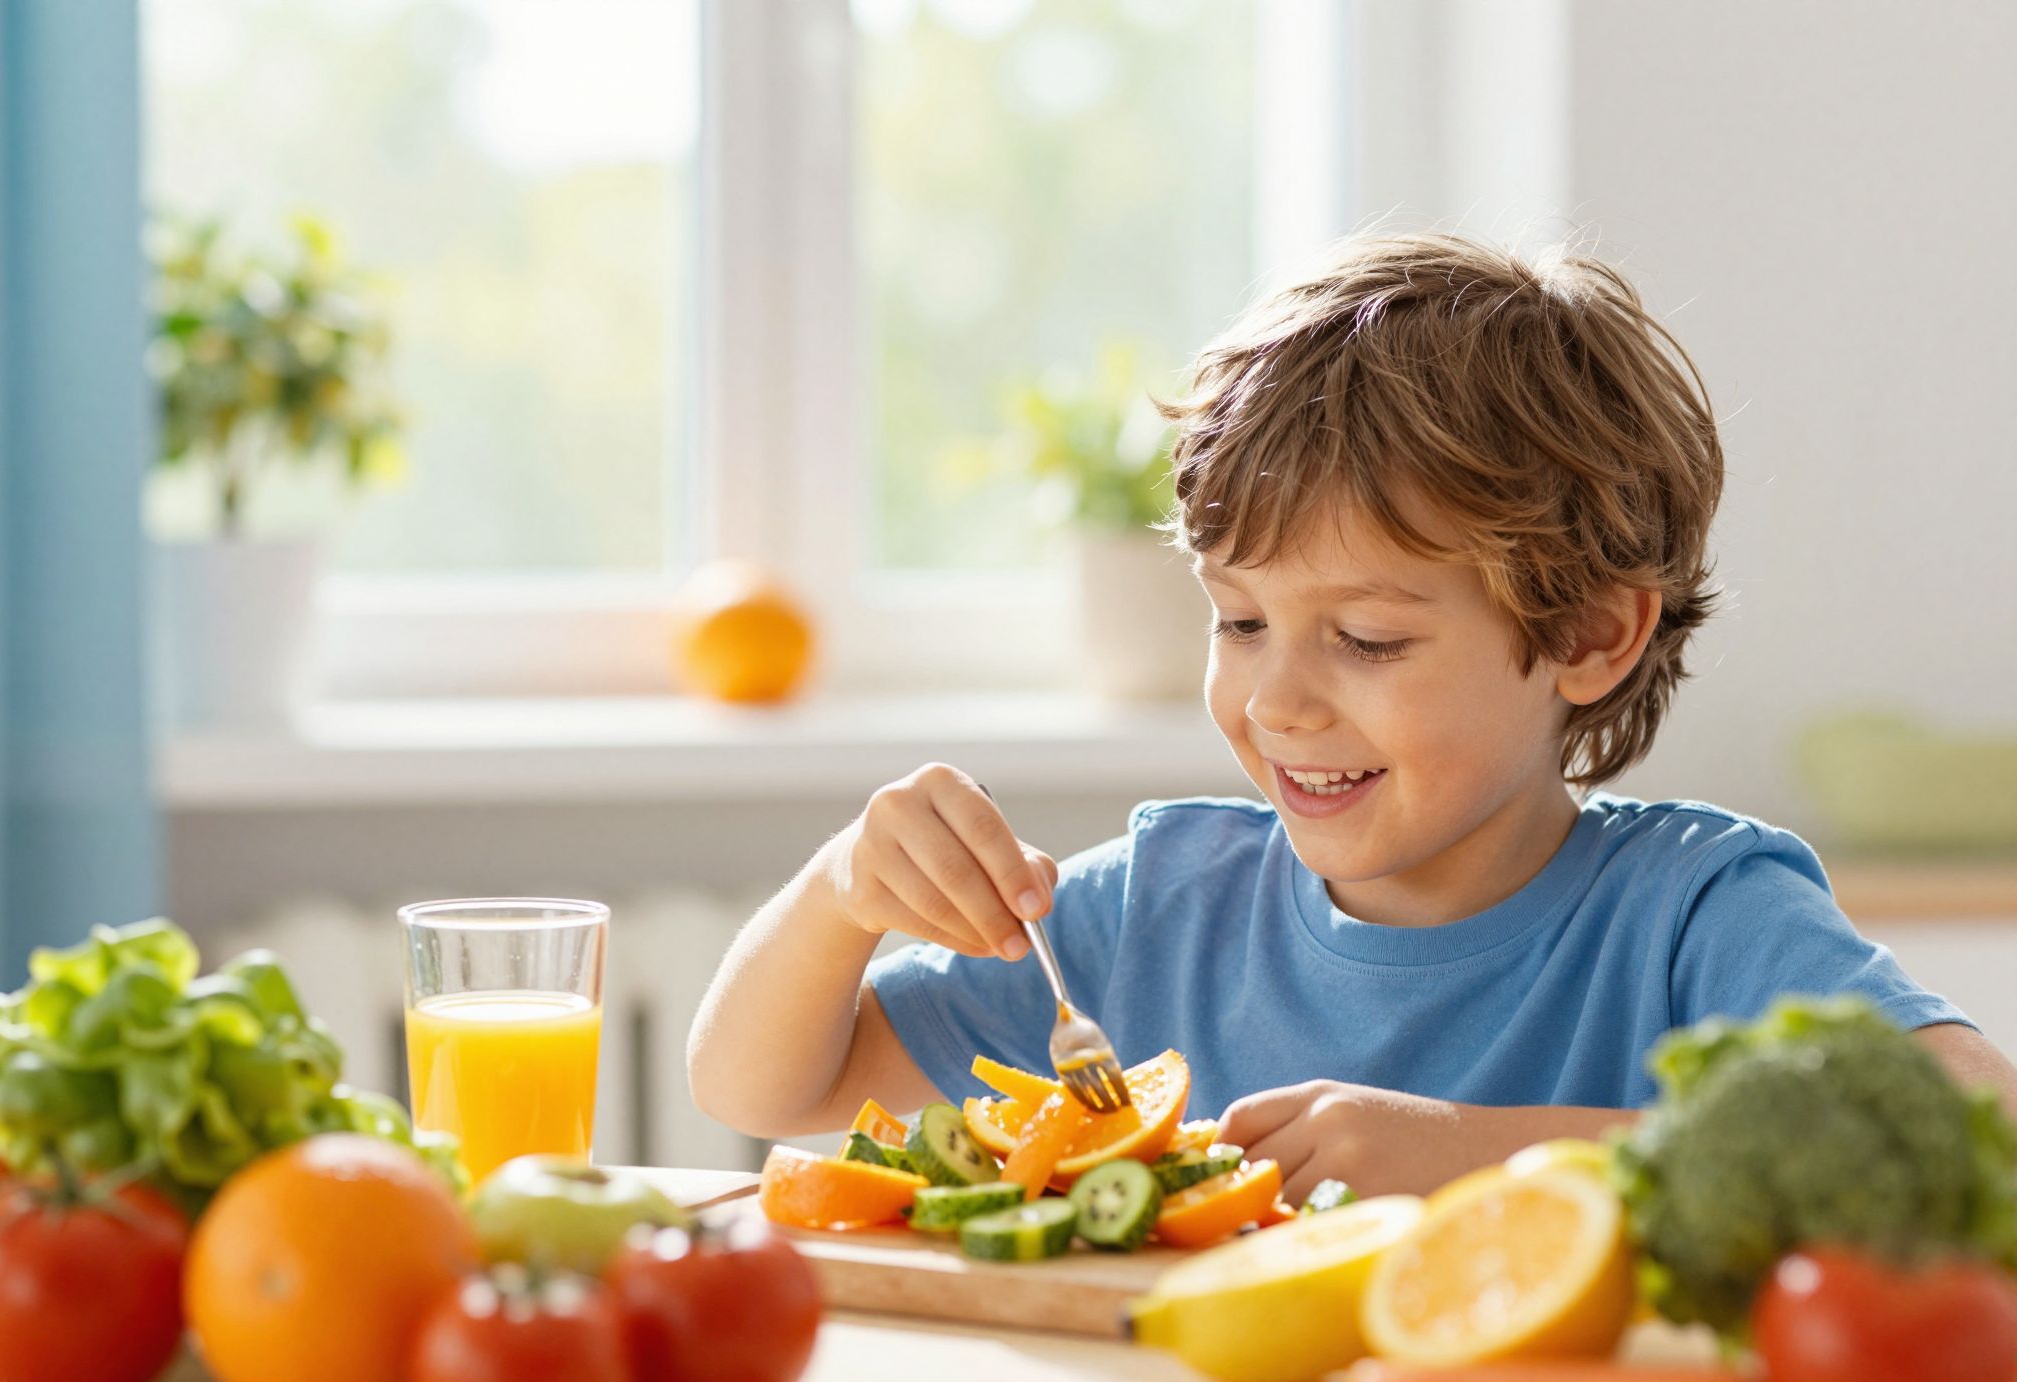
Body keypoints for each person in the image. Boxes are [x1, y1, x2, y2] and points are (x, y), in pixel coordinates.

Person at [688, 232, 2017, 1201]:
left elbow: (1976, 1138)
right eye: (1239, 621)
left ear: (1589, 636)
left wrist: (1484, 1152)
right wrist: (842, 892)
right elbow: (767, 1090)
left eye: (1367, 639)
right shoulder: (1155, 911)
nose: (1276, 700)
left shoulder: (1692, 916)